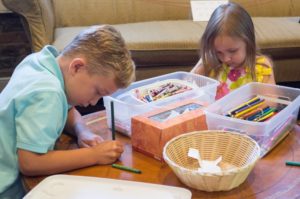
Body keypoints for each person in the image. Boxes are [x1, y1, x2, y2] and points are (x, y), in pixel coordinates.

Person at [0, 25, 135, 198]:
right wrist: (94, 155)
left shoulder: (41, 62)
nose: (95, 102)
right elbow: (30, 162)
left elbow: (66, 106)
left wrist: (82, 130)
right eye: (97, 92)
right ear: (77, 67)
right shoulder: (48, 93)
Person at [191, 2, 275, 99]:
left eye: (232, 51)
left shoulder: (261, 66)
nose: (225, 59)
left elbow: (271, 102)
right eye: (218, 52)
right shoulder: (211, 64)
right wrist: (203, 61)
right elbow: (188, 88)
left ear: (248, 43)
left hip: (249, 113)